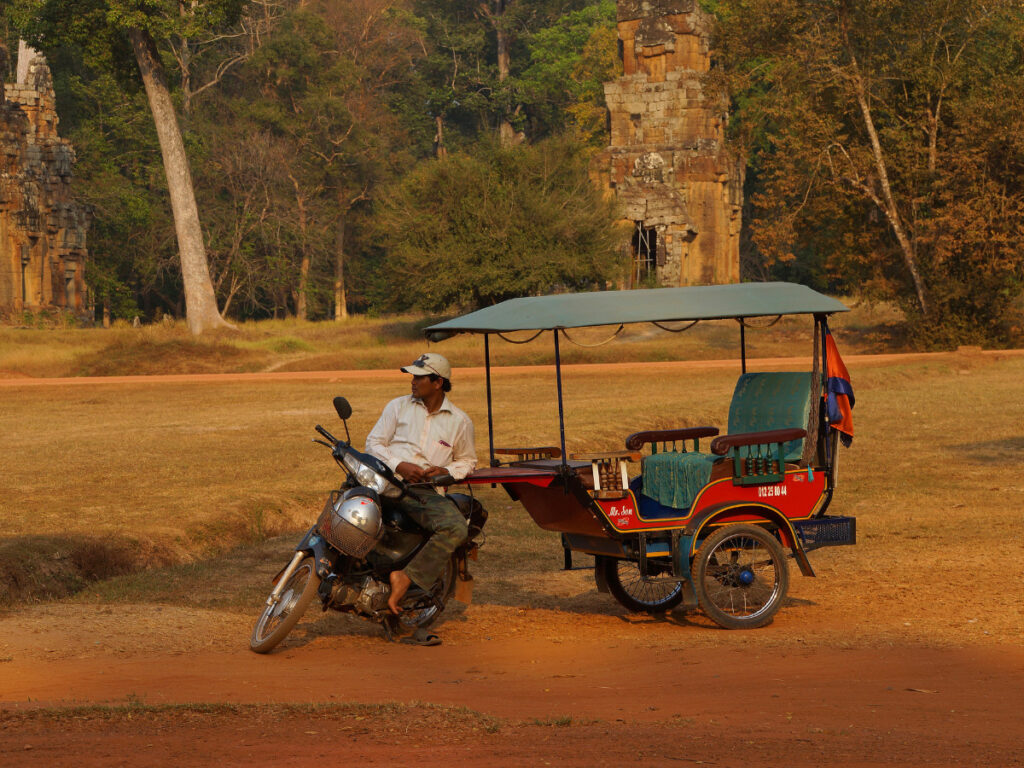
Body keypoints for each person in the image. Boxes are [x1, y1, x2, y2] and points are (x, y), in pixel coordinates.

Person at [365, 352, 476, 615]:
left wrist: (444, 471)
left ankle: (406, 577)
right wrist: (399, 465)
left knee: (454, 527)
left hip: (422, 492)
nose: (412, 382)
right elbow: (374, 443)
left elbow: (467, 461)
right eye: (412, 377)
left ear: (438, 382)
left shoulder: (460, 422)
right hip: (384, 479)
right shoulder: (397, 406)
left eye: (419, 377)